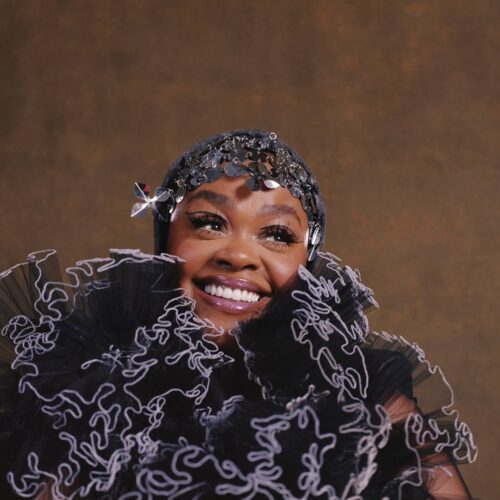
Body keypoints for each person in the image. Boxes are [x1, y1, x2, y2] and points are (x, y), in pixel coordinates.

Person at [0, 129, 476, 498]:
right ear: (165, 238)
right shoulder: (85, 389)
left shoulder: (363, 393)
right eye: (209, 223)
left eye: (277, 235)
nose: (239, 256)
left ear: (307, 261)